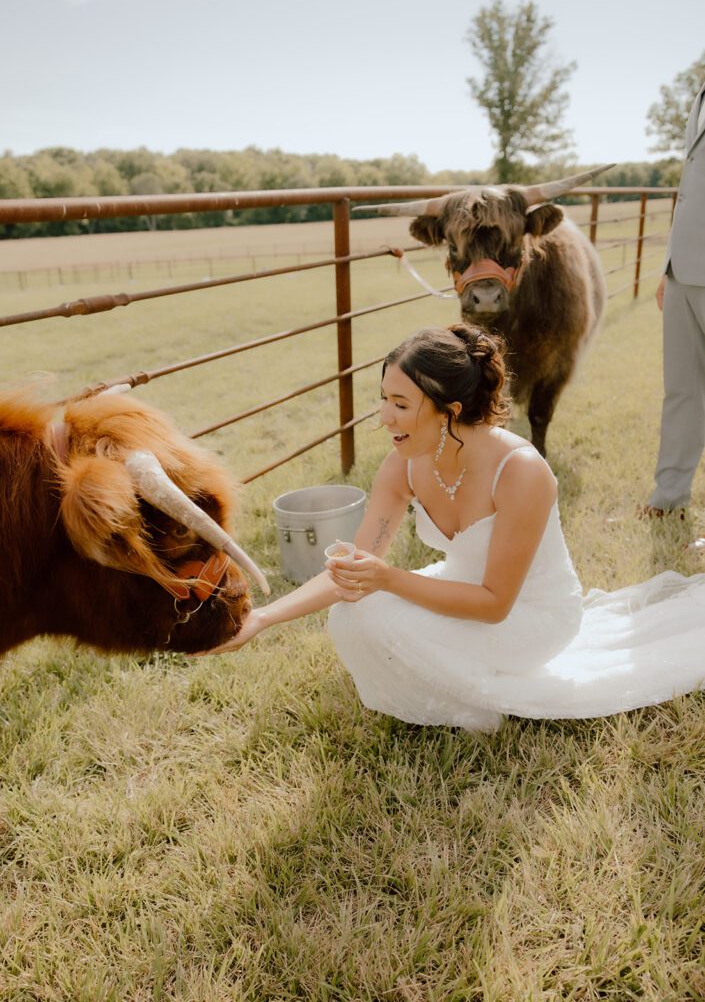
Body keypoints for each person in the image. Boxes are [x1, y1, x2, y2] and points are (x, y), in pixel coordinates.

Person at [205, 325, 705, 732]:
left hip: (531, 615)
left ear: (451, 410)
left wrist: (390, 579)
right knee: (353, 612)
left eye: (401, 404)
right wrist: (264, 619)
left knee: (375, 606)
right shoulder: (401, 465)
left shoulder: (521, 471)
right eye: (384, 400)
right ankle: (454, 693)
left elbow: (494, 605)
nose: (384, 417)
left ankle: (473, 709)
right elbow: (352, 569)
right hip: (456, 589)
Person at [644, 75, 705, 517]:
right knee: (681, 391)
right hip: (684, 269)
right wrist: (669, 264)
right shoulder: (701, 90)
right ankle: (669, 499)